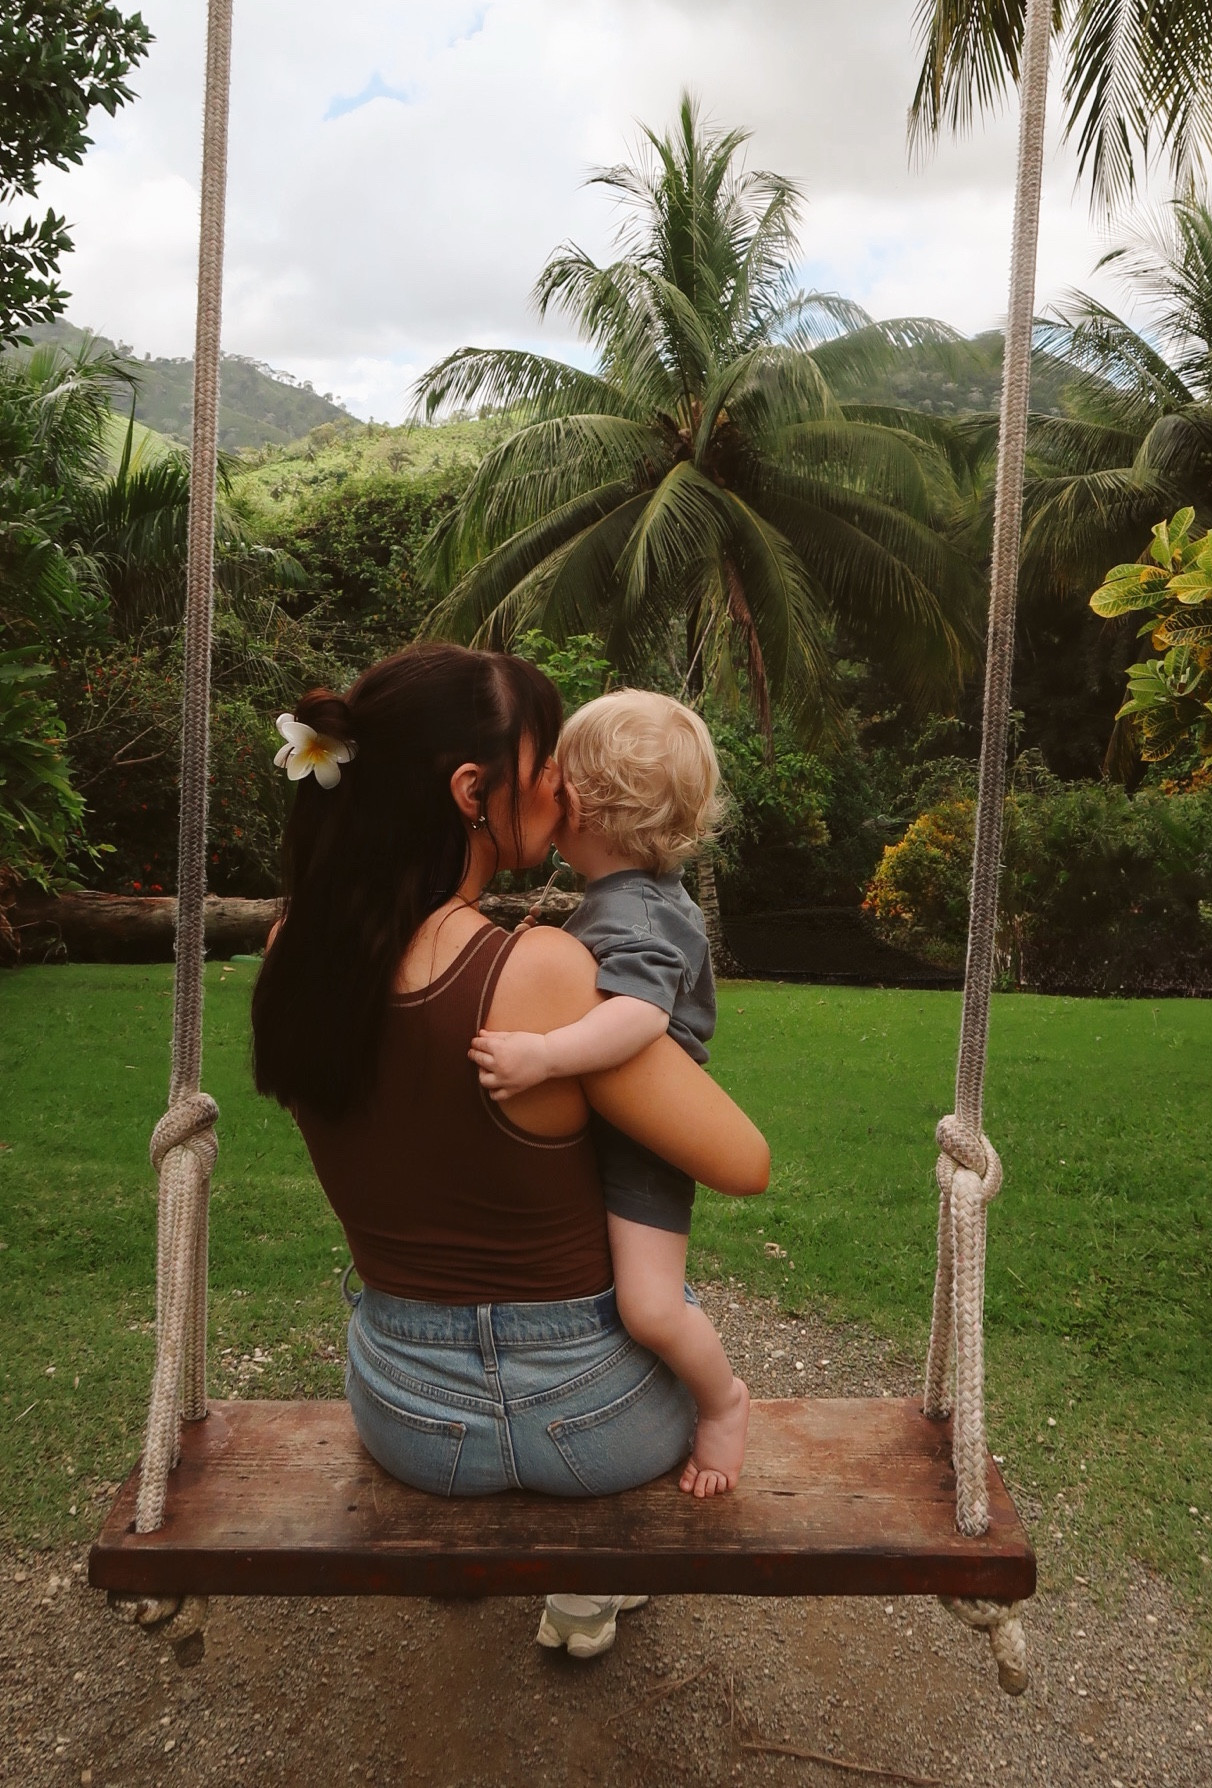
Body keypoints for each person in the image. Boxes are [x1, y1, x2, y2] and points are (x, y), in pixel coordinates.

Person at [252, 643, 769, 1659]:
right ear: (470, 791)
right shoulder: (542, 970)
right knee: (663, 1306)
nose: (558, 784)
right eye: (542, 760)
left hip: (406, 1421)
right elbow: (741, 1161)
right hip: (596, 1425)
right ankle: (588, 1583)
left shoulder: (294, 949)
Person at [468, 690, 749, 1497]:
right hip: (613, 1131)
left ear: (576, 803)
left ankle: (723, 1401)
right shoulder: (630, 898)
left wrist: (546, 1054)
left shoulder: (637, 910)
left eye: (553, 776)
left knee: (652, 1307)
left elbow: (635, 1016)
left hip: (644, 1147)